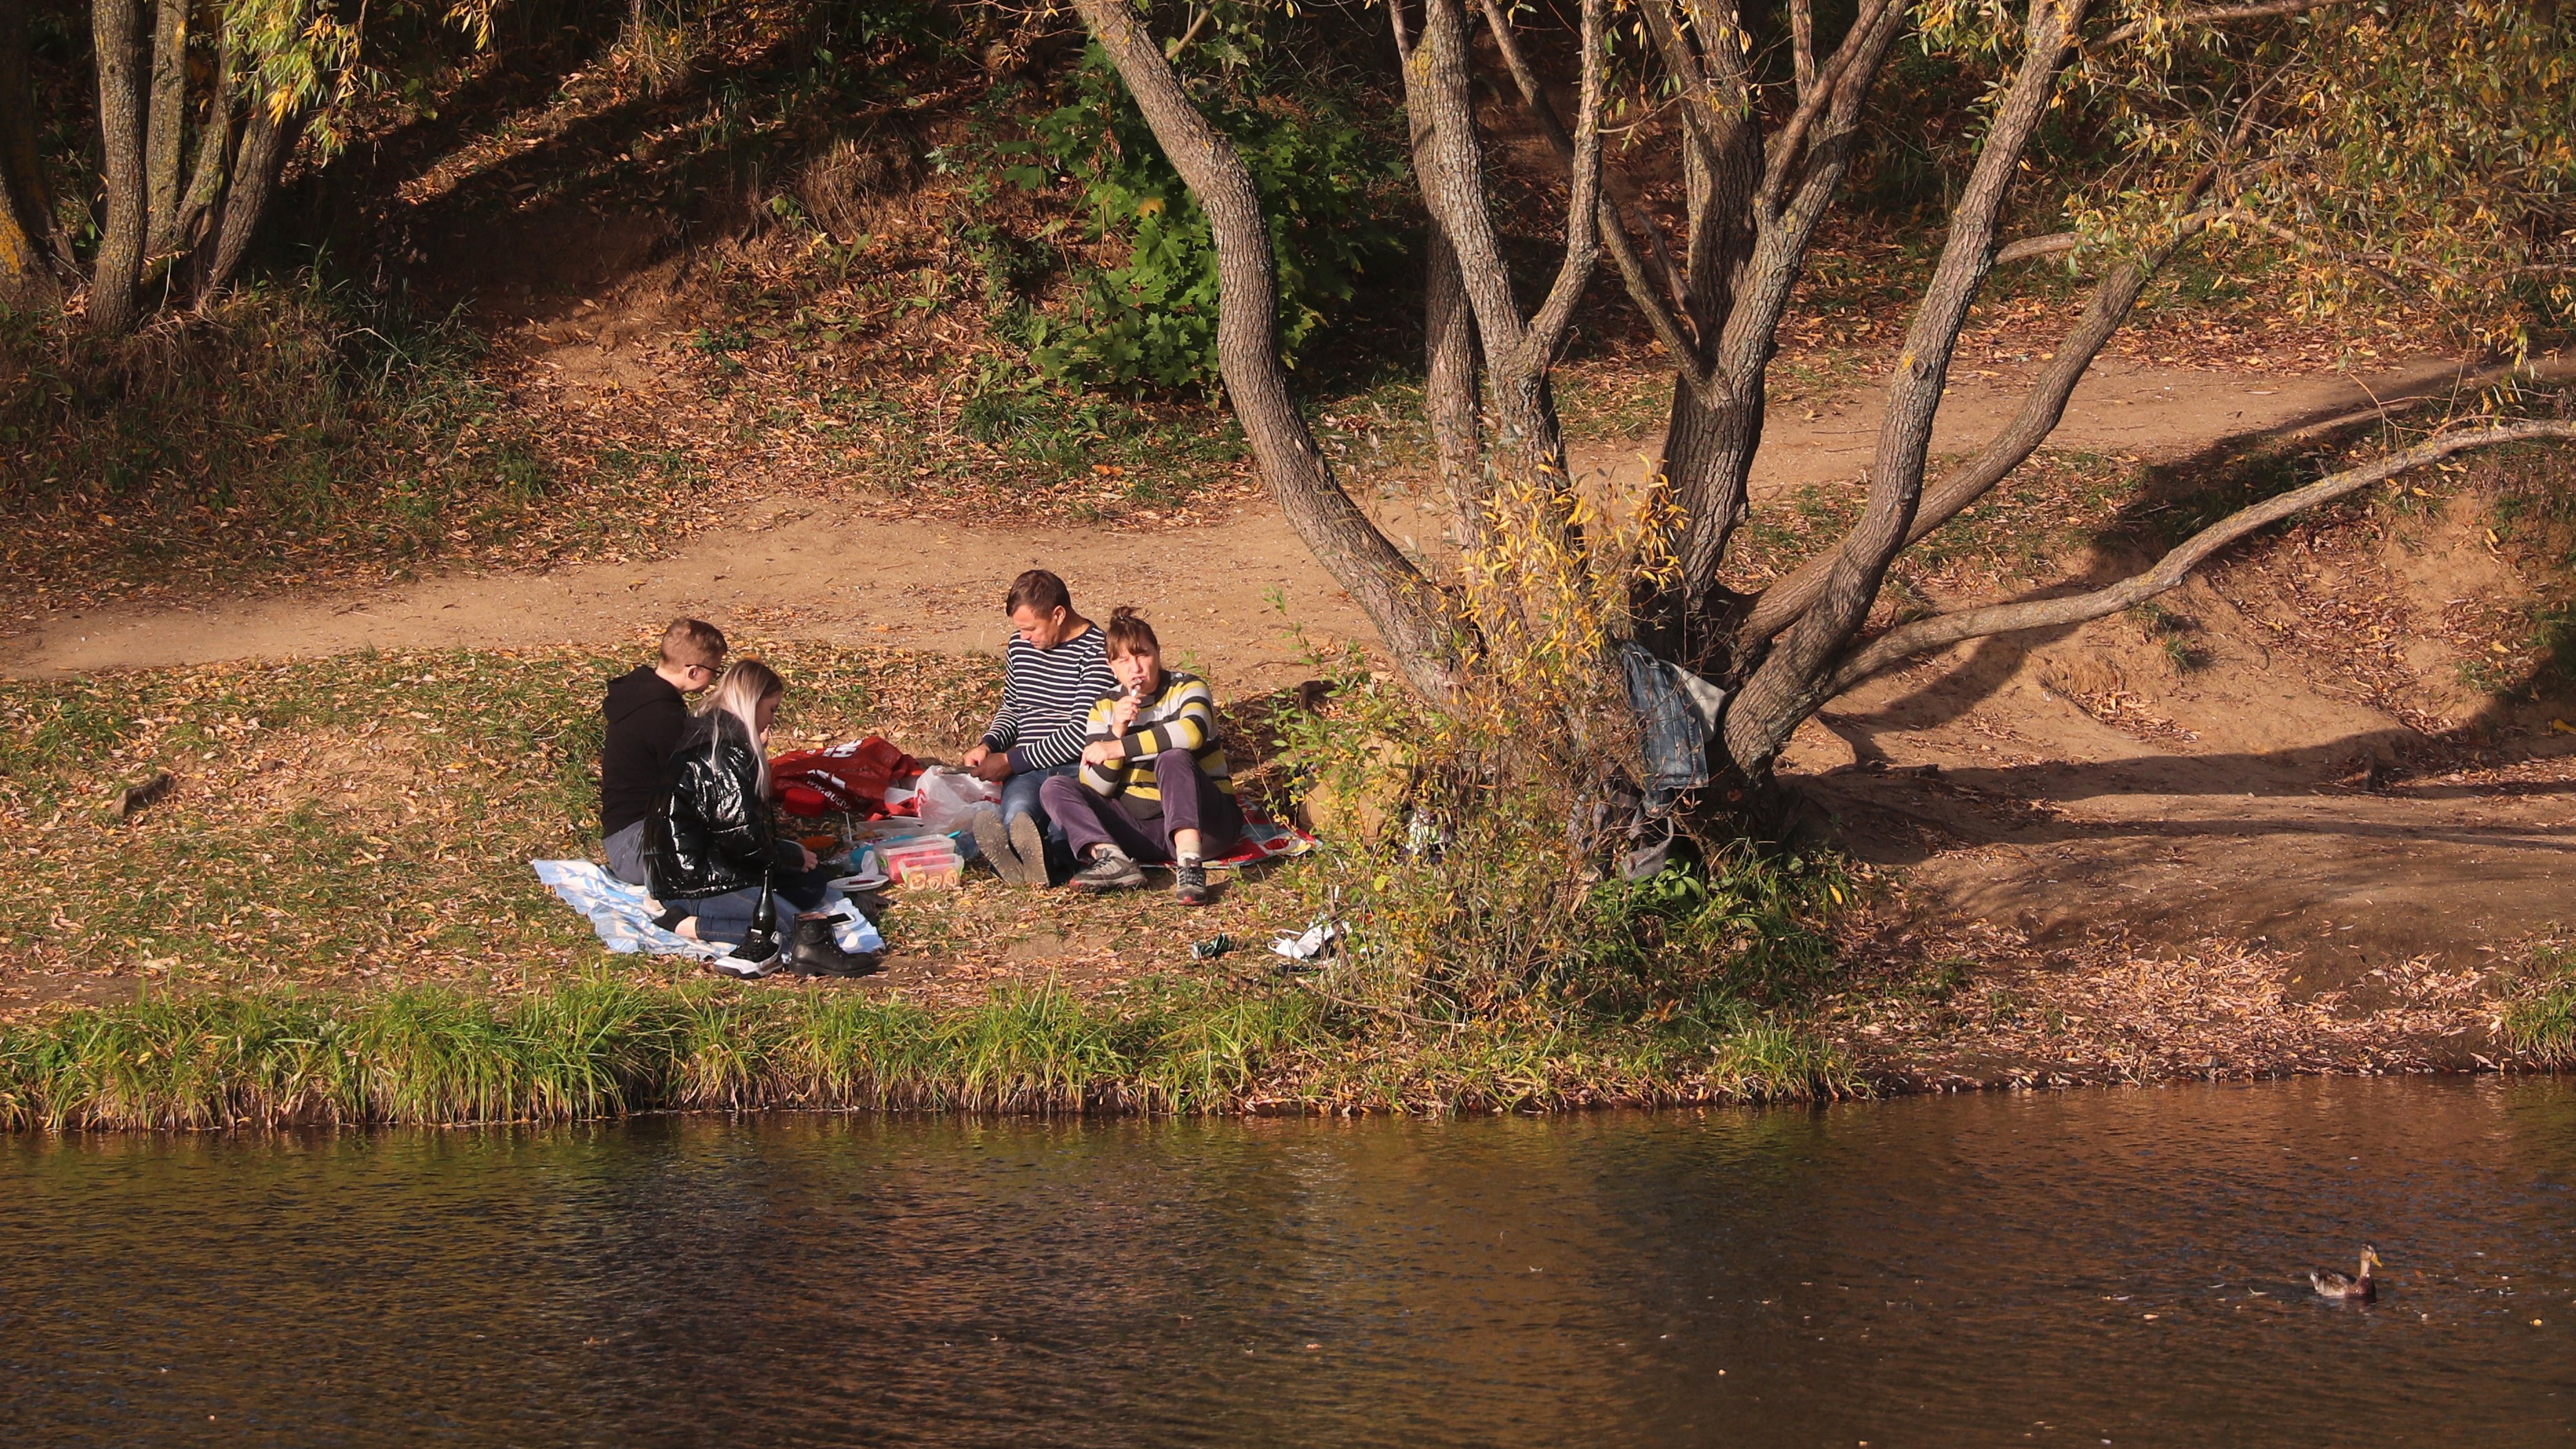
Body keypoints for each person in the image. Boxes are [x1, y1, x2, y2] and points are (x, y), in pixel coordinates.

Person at [644, 659, 878, 977]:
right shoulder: (726, 752)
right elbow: (742, 840)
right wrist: (788, 854)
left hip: (706, 865)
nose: (773, 719)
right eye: (772, 709)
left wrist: (789, 855)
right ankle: (688, 922)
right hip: (697, 880)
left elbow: (735, 828)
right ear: (752, 703)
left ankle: (690, 913)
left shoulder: (713, 733)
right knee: (791, 927)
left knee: (811, 884)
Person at [1039, 607, 1241, 907]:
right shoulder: (1104, 706)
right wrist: (1117, 730)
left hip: (1207, 827)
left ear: (1157, 653)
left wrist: (1118, 748)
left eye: (1142, 655)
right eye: (1124, 660)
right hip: (1142, 831)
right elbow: (1098, 787)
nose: (1136, 668)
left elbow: (1193, 733)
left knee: (1172, 757)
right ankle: (1112, 859)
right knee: (1054, 787)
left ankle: (1190, 867)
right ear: (1111, 667)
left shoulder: (1188, 687)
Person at [961, 569, 1118, 889]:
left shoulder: (1097, 651)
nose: (1024, 637)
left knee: (1066, 831)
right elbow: (1013, 708)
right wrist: (989, 745)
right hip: (1027, 768)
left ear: (1058, 614)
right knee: (1019, 817)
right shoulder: (1020, 649)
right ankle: (1022, 856)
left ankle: (1045, 862)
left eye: (1031, 628)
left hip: (1075, 767)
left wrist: (1009, 762)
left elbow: (1080, 733)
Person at [600, 619, 728, 887]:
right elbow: (697, 783)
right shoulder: (663, 717)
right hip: (638, 847)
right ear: (693, 671)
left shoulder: (638, 697)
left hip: (624, 837)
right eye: (715, 672)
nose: (714, 679)